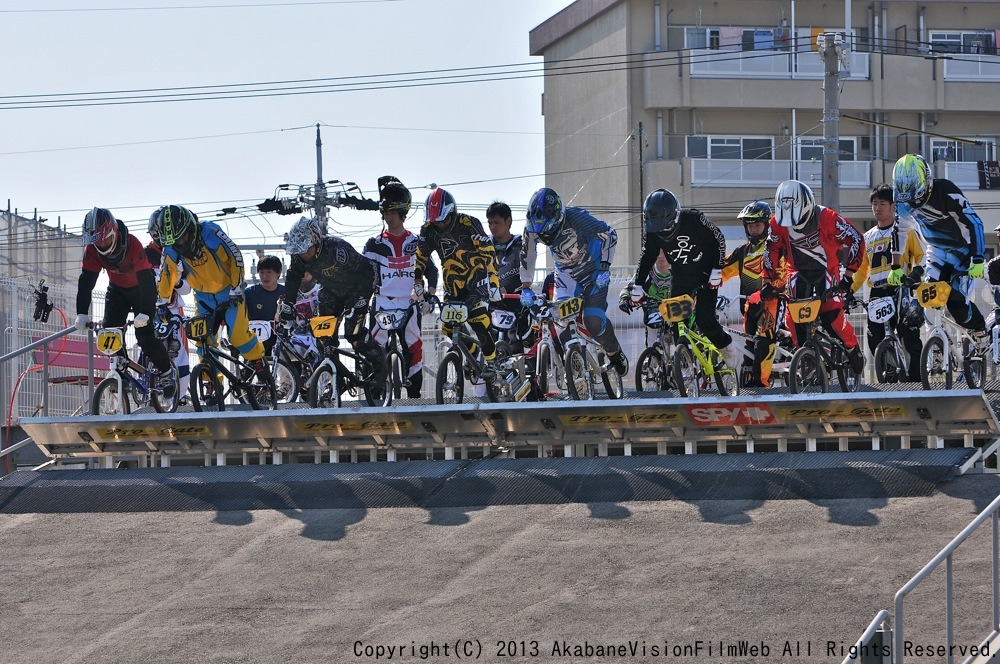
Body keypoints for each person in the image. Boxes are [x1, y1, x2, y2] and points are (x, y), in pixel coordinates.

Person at [151, 204, 268, 381]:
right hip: (203, 297)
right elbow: (167, 273)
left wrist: (236, 287)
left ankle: (258, 361)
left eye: (182, 237)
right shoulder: (171, 247)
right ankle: (212, 381)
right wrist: (161, 302)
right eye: (174, 241)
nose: (179, 243)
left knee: (238, 337)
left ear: (190, 228)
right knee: (202, 342)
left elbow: (235, 256)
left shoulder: (211, 232)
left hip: (230, 292)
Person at [626, 188, 738, 370]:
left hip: (706, 275)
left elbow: (718, 238)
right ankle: (685, 363)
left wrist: (717, 268)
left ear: (675, 216)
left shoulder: (694, 219)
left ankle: (727, 346)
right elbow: (647, 256)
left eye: (665, 227)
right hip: (681, 277)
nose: (661, 232)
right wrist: (637, 286)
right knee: (677, 321)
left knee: (705, 319)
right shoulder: (654, 233)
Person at [519, 187, 628, 374]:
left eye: (548, 230)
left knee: (592, 319)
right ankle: (575, 367)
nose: (544, 236)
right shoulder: (531, 228)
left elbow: (610, 234)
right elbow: (528, 254)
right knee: (560, 318)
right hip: (566, 273)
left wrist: (604, 266)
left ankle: (614, 352)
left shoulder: (576, 217)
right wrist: (526, 288)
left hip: (594, 271)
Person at [764, 180, 866, 374]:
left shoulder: (827, 217)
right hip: (797, 271)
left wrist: (849, 274)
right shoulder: (777, 222)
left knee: (831, 316)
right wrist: (768, 281)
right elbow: (771, 249)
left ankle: (852, 346)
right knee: (793, 318)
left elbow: (855, 238)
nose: (793, 225)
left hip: (827, 270)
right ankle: (806, 355)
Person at [76, 207, 176, 399]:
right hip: (117, 290)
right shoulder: (92, 250)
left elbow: (147, 280)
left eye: (105, 239)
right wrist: (81, 313)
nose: (102, 245)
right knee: (110, 332)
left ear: (114, 231)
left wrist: (146, 312)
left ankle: (166, 372)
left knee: (144, 335)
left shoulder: (132, 244)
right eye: (97, 241)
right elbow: (86, 281)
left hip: (141, 290)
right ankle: (121, 374)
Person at [893, 154, 989, 350]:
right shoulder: (903, 204)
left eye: (917, 196)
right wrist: (895, 266)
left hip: (963, 251)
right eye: (909, 199)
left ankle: (980, 328)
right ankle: (935, 351)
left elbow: (975, 223)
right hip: (936, 250)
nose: (913, 203)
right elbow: (900, 232)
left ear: (926, 183)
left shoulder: (946, 192)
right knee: (929, 299)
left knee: (956, 303)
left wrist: (978, 259)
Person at [413, 187, 501, 376]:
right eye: (435, 221)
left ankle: (492, 360)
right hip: (452, 283)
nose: (440, 225)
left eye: (443, 220)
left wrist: (494, 284)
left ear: (452, 212)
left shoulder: (469, 223)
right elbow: (420, 259)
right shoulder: (428, 229)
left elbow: (489, 253)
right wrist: (418, 286)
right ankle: (474, 354)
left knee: (478, 320)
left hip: (476, 280)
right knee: (448, 326)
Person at [364, 176, 437, 399]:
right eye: (385, 212)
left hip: (409, 303)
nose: (389, 217)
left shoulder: (417, 241)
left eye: (393, 213)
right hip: (382, 303)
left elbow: (432, 271)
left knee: (414, 349)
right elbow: (365, 275)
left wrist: (430, 295)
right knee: (374, 347)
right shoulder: (373, 243)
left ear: (403, 213)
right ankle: (376, 396)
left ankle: (414, 399)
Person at [280, 215, 381, 367]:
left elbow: (369, 270)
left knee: (353, 334)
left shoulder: (337, 249)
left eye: (306, 248)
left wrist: (362, 300)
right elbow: (293, 278)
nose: (303, 254)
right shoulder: (298, 257)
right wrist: (288, 306)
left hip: (358, 288)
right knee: (323, 337)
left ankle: (378, 363)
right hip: (331, 291)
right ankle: (336, 379)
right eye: (298, 250)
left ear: (316, 241)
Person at [851, 183, 925, 382]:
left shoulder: (906, 230)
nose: (877, 208)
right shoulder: (867, 238)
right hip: (877, 291)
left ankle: (915, 381)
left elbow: (922, 257)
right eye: (874, 204)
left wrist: (916, 275)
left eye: (882, 203)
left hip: (901, 289)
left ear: (893, 206)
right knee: (875, 338)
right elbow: (860, 270)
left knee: (907, 336)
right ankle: (889, 378)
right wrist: (849, 290)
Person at [721, 200, 784, 387]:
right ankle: (749, 382)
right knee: (750, 346)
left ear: (766, 225)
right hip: (749, 307)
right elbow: (721, 270)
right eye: (750, 226)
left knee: (763, 340)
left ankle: (761, 383)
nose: (754, 229)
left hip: (773, 302)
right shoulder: (742, 252)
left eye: (757, 225)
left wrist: (771, 289)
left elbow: (785, 273)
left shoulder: (775, 247)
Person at [145, 215, 191, 398]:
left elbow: (188, 288)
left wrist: (177, 281)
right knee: (150, 352)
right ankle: (151, 397)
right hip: (150, 311)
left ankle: (179, 397)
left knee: (179, 353)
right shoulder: (144, 255)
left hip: (174, 310)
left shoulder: (180, 253)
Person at [487, 200, 531, 352]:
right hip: (491, 305)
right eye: (490, 223)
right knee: (487, 347)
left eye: (497, 223)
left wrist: (507, 289)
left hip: (517, 305)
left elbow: (525, 270)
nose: (493, 227)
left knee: (516, 346)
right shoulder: (485, 246)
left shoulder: (521, 243)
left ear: (509, 221)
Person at [244, 255, 285, 355]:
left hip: (280, 340)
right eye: (261, 272)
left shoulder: (286, 293)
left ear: (279, 272)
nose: (264, 276)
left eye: (269, 272)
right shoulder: (249, 293)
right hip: (255, 342)